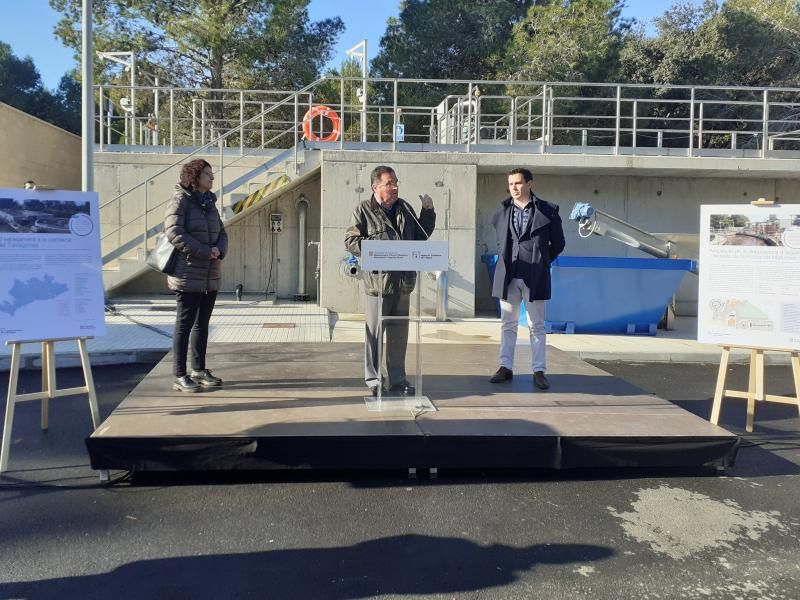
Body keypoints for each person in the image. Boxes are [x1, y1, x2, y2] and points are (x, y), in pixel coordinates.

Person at [344, 166, 436, 396]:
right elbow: (351, 241)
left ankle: (398, 380)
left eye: (396, 183)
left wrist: (428, 212)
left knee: (399, 336)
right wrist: (378, 249)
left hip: (403, 283)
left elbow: (421, 236)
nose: (395, 187)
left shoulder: (405, 208)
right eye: (389, 183)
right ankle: (374, 380)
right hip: (379, 285)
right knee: (374, 335)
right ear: (375, 187)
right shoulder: (363, 210)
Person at [489, 168, 565, 390]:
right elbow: (501, 241)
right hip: (508, 275)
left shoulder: (548, 211)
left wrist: (542, 260)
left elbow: (558, 243)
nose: (513, 187)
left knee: (536, 325)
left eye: (518, 183)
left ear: (530, 183)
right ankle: (505, 367)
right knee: (508, 324)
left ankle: (539, 371)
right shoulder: (502, 211)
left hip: (535, 275)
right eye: (511, 184)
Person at [164, 159, 228, 393]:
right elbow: (174, 232)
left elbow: (222, 232)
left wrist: (219, 249)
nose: (212, 178)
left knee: (202, 324)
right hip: (188, 274)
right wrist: (203, 251)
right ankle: (179, 375)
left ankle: (198, 370)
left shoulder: (209, 203)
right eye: (207, 174)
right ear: (195, 176)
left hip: (210, 274)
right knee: (185, 325)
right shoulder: (181, 201)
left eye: (211, 174)